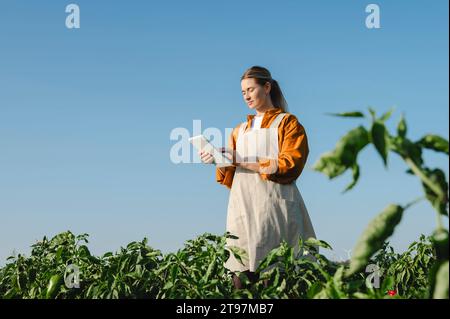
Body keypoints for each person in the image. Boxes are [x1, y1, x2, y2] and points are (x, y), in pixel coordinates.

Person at [199, 66, 316, 289]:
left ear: (267, 87)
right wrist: (218, 159)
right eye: (243, 92)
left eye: (251, 90)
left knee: (275, 275)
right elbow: (228, 178)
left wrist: (241, 159)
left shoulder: (288, 123)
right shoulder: (239, 130)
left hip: (274, 208)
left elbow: (290, 165)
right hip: (242, 208)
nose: (246, 96)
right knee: (241, 278)